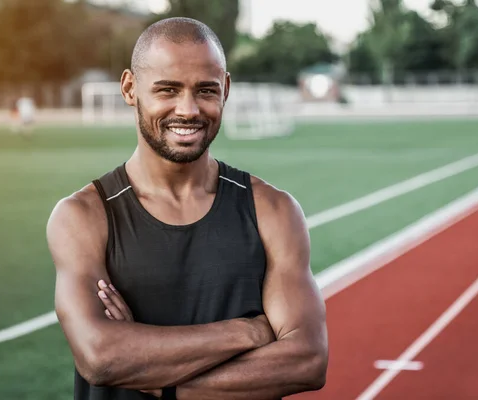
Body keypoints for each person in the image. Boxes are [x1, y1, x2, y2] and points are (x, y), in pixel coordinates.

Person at [46, 17, 328, 400]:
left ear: (225, 89)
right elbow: (101, 358)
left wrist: (152, 374)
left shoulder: (272, 210)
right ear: (130, 89)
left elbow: (307, 361)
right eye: (167, 89)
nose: (189, 110)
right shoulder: (83, 217)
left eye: (206, 91)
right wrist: (248, 332)